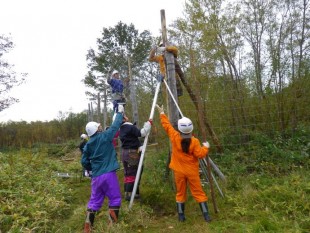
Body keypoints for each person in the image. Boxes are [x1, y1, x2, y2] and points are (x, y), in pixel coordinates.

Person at [155, 104, 211, 223]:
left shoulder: (175, 137)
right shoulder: (195, 141)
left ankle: (181, 216)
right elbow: (200, 154)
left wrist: (162, 113)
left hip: (178, 171)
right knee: (198, 192)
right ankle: (206, 216)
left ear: (179, 129)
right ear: (191, 129)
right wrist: (206, 147)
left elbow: (167, 126)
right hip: (192, 172)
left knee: (180, 192)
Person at [81, 104, 124, 233]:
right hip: (108, 175)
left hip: (96, 177)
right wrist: (120, 112)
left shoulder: (88, 144)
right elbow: (115, 126)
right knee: (115, 198)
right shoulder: (105, 136)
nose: (100, 126)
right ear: (96, 129)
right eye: (98, 126)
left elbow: (84, 162)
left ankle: (87, 228)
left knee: (94, 201)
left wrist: (92, 168)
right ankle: (112, 226)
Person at [119, 115, 152, 201]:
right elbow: (141, 133)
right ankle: (130, 195)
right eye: (124, 116)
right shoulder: (129, 127)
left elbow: (133, 139)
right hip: (132, 153)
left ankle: (132, 193)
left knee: (128, 173)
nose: (126, 116)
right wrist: (148, 124)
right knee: (133, 173)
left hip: (125, 152)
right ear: (124, 119)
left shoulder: (122, 128)